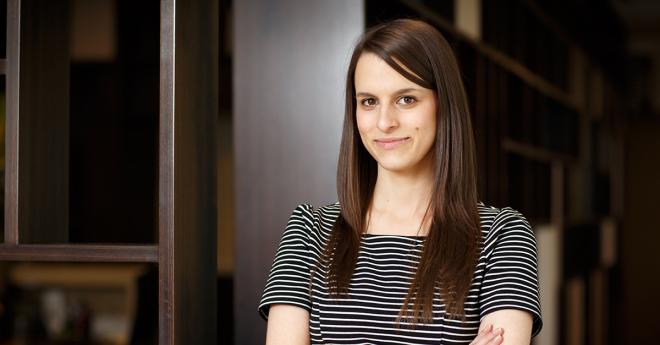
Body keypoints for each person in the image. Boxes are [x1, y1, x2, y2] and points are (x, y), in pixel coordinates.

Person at [258, 19, 543, 345]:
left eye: (406, 99)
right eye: (369, 101)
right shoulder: (310, 231)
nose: (384, 122)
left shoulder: (502, 236)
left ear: (443, 105)